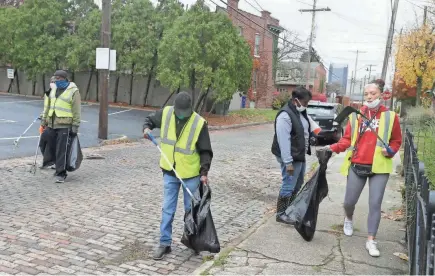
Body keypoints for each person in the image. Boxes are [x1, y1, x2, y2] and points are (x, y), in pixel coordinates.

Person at [320, 79, 402, 257]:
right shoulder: (355, 115)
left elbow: (396, 140)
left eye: (373, 93)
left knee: (375, 204)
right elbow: (347, 140)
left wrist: (392, 150)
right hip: (357, 163)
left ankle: (371, 240)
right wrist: (331, 148)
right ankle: (348, 218)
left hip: (379, 167)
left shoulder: (391, 116)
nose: (369, 97)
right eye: (366, 94)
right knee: (349, 201)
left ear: (381, 94)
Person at [143, 91, 213, 260]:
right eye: (179, 112)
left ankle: (193, 241)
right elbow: (149, 120)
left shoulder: (198, 122)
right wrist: (146, 128)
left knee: (191, 211)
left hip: (190, 174)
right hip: (170, 171)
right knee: (168, 208)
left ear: (190, 109)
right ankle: (164, 243)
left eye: (184, 112)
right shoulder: (166, 113)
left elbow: (205, 151)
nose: (181, 115)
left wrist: (204, 173)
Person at [271, 86, 314, 224]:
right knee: (289, 184)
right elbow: (283, 141)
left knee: (298, 183)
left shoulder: (299, 112)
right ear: (296, 100)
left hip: (298, 155)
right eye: (305, 102)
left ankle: (289, 209)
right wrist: (288, 162)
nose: (306, 105)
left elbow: (304, 130)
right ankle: (281, 213)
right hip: (289, 156)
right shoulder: (285, 115)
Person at [40, 70, 81, 183]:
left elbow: (76, 110)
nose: (57, 80)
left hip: (65, 124)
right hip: (51, 123)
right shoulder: (53, 90)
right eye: (55, 78)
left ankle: (61, 173)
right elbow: (48, 106)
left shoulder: (73, 91)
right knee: (46, 142)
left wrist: (75, 126)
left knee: (61, 149)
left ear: (64, 78)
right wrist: (44, 121)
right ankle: (52, 162)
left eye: (59, 78)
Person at [39, 76, 57, 169]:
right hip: (48, 121)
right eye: (52, 81)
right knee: (43, 142)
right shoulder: (48, 93)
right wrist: (43, 118)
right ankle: (49, 161)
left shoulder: (59, 94)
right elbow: (46, 108)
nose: (52, 83)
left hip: (56, 122)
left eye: (54, 81)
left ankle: (50, 162)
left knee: (51, 143)